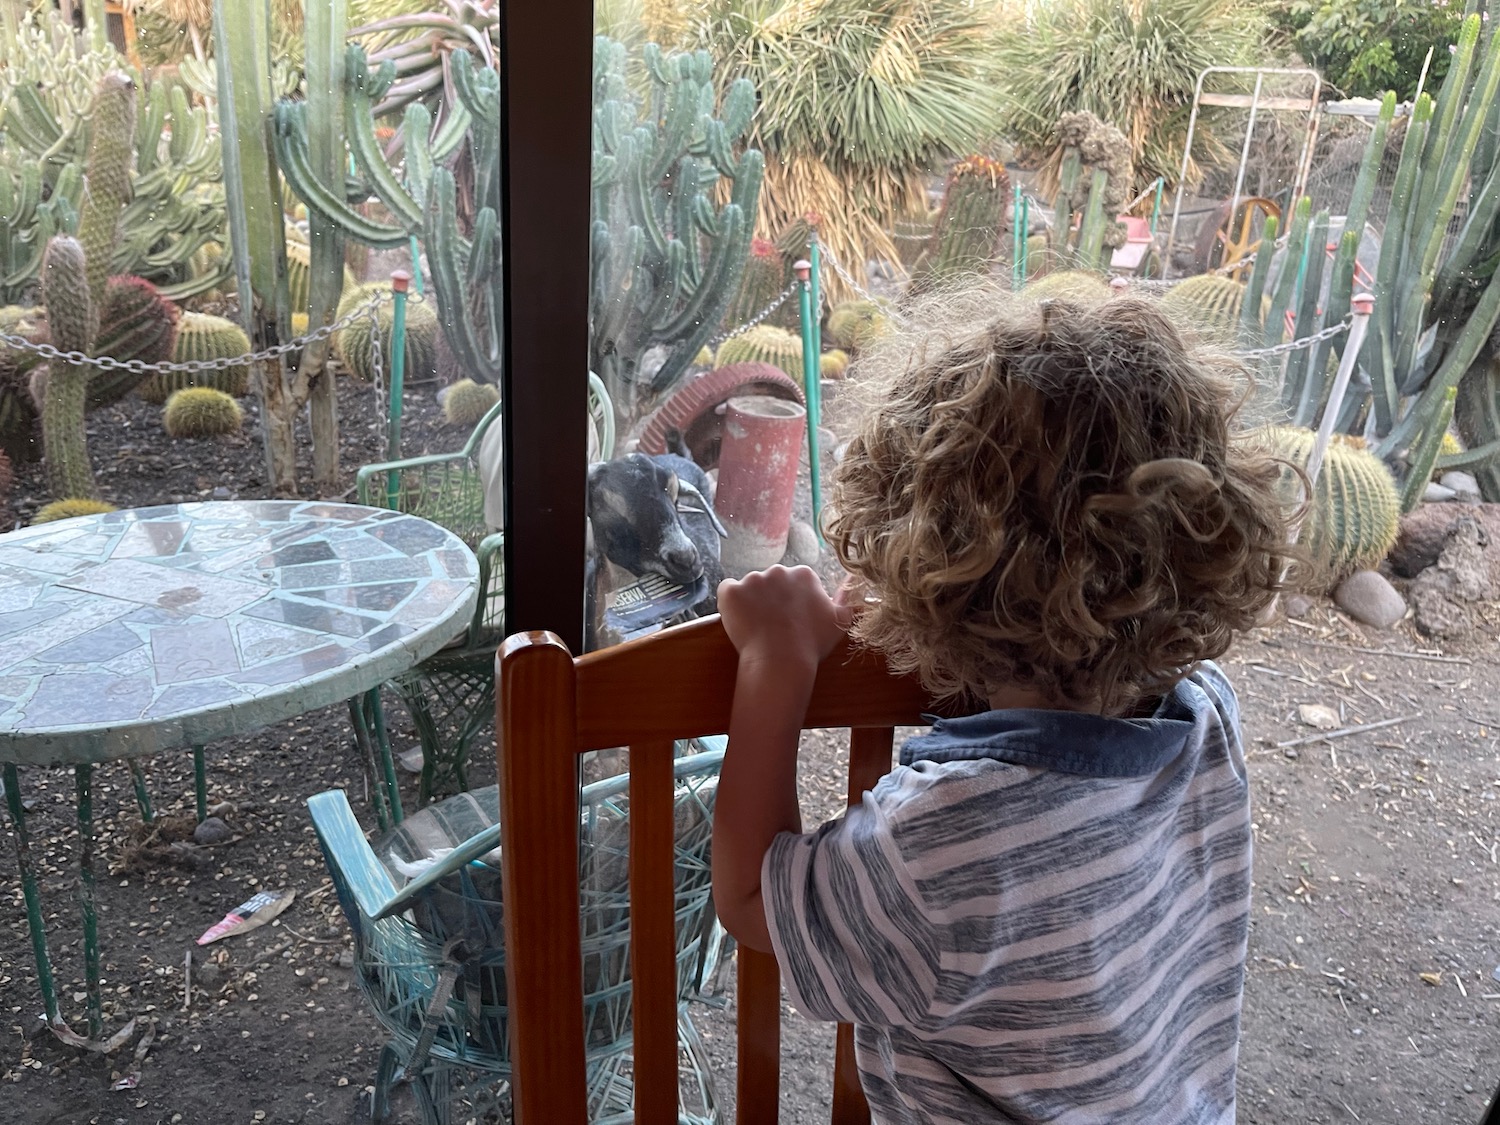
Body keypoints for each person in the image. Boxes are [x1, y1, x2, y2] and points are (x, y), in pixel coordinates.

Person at [711, 290, 1296, 1124]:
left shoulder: (942, 842)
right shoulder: (1208, 722)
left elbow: (747, 900)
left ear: (928, 558)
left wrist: (775, 660)